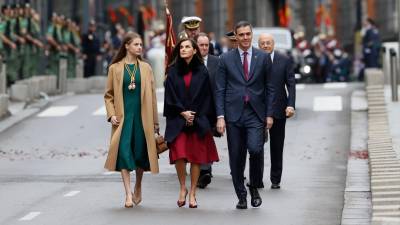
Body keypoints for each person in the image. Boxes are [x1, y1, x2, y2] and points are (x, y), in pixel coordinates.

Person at [215, 21, 274, 209]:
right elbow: (220, 90)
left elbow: (271, 88)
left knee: (256, 149)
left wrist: (270, 114)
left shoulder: (263, 58)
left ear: (252, 34)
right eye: (241, 35)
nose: (246, 38)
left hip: (255, 113)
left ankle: (254, 186)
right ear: (236, 36)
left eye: (248, 34)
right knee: (236, 156)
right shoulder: (225, 59)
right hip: (233, 114)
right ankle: (241, 195)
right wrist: (220, 116)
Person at [104, 32, 160, 208]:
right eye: (136, 44)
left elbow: (152, 97)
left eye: (141, 45)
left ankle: (138, 185)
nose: (140, 47)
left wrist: (155, 122)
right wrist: (111, 114)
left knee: (140, 154)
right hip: (123, 119)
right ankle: (128, 193)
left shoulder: (146, 68)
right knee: (124, 154)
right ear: (126, 46)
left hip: (142, 118)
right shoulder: (115, 69)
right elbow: (108, 95)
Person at [164, 38, 219, 208]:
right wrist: (183, 112)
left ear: (195, 51)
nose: (183, 49)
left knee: (196, 158)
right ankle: (183, 188)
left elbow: (206, 97)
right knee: (179, 155)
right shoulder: (172, 71)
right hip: (178, 119)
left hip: (198, 119)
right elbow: (169, 96)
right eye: (181, 47)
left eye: (188, 47)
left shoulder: (203, 71)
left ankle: (193, 192)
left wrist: (193, 115)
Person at [258, 33, 295, 189]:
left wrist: (291, 104)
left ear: (273, 44)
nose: (266, 46)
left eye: (268, 43)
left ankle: (275, 179)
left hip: (279, 108)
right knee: (256, 146)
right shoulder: (254, 59)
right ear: (259, 46)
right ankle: (256, 178)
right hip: (258, 108)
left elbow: (291, 84)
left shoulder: (284, 60)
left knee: (277, 145)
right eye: (263, 43)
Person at [195, 32, 220, 189]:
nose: (204, 48)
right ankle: (202, 171)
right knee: (196, 141)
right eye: (201, 45)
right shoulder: (188, 61)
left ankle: (205, 171)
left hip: (210, 110)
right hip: (193, 109)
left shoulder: (217, 62)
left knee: (206, 139)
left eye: (206, 45)